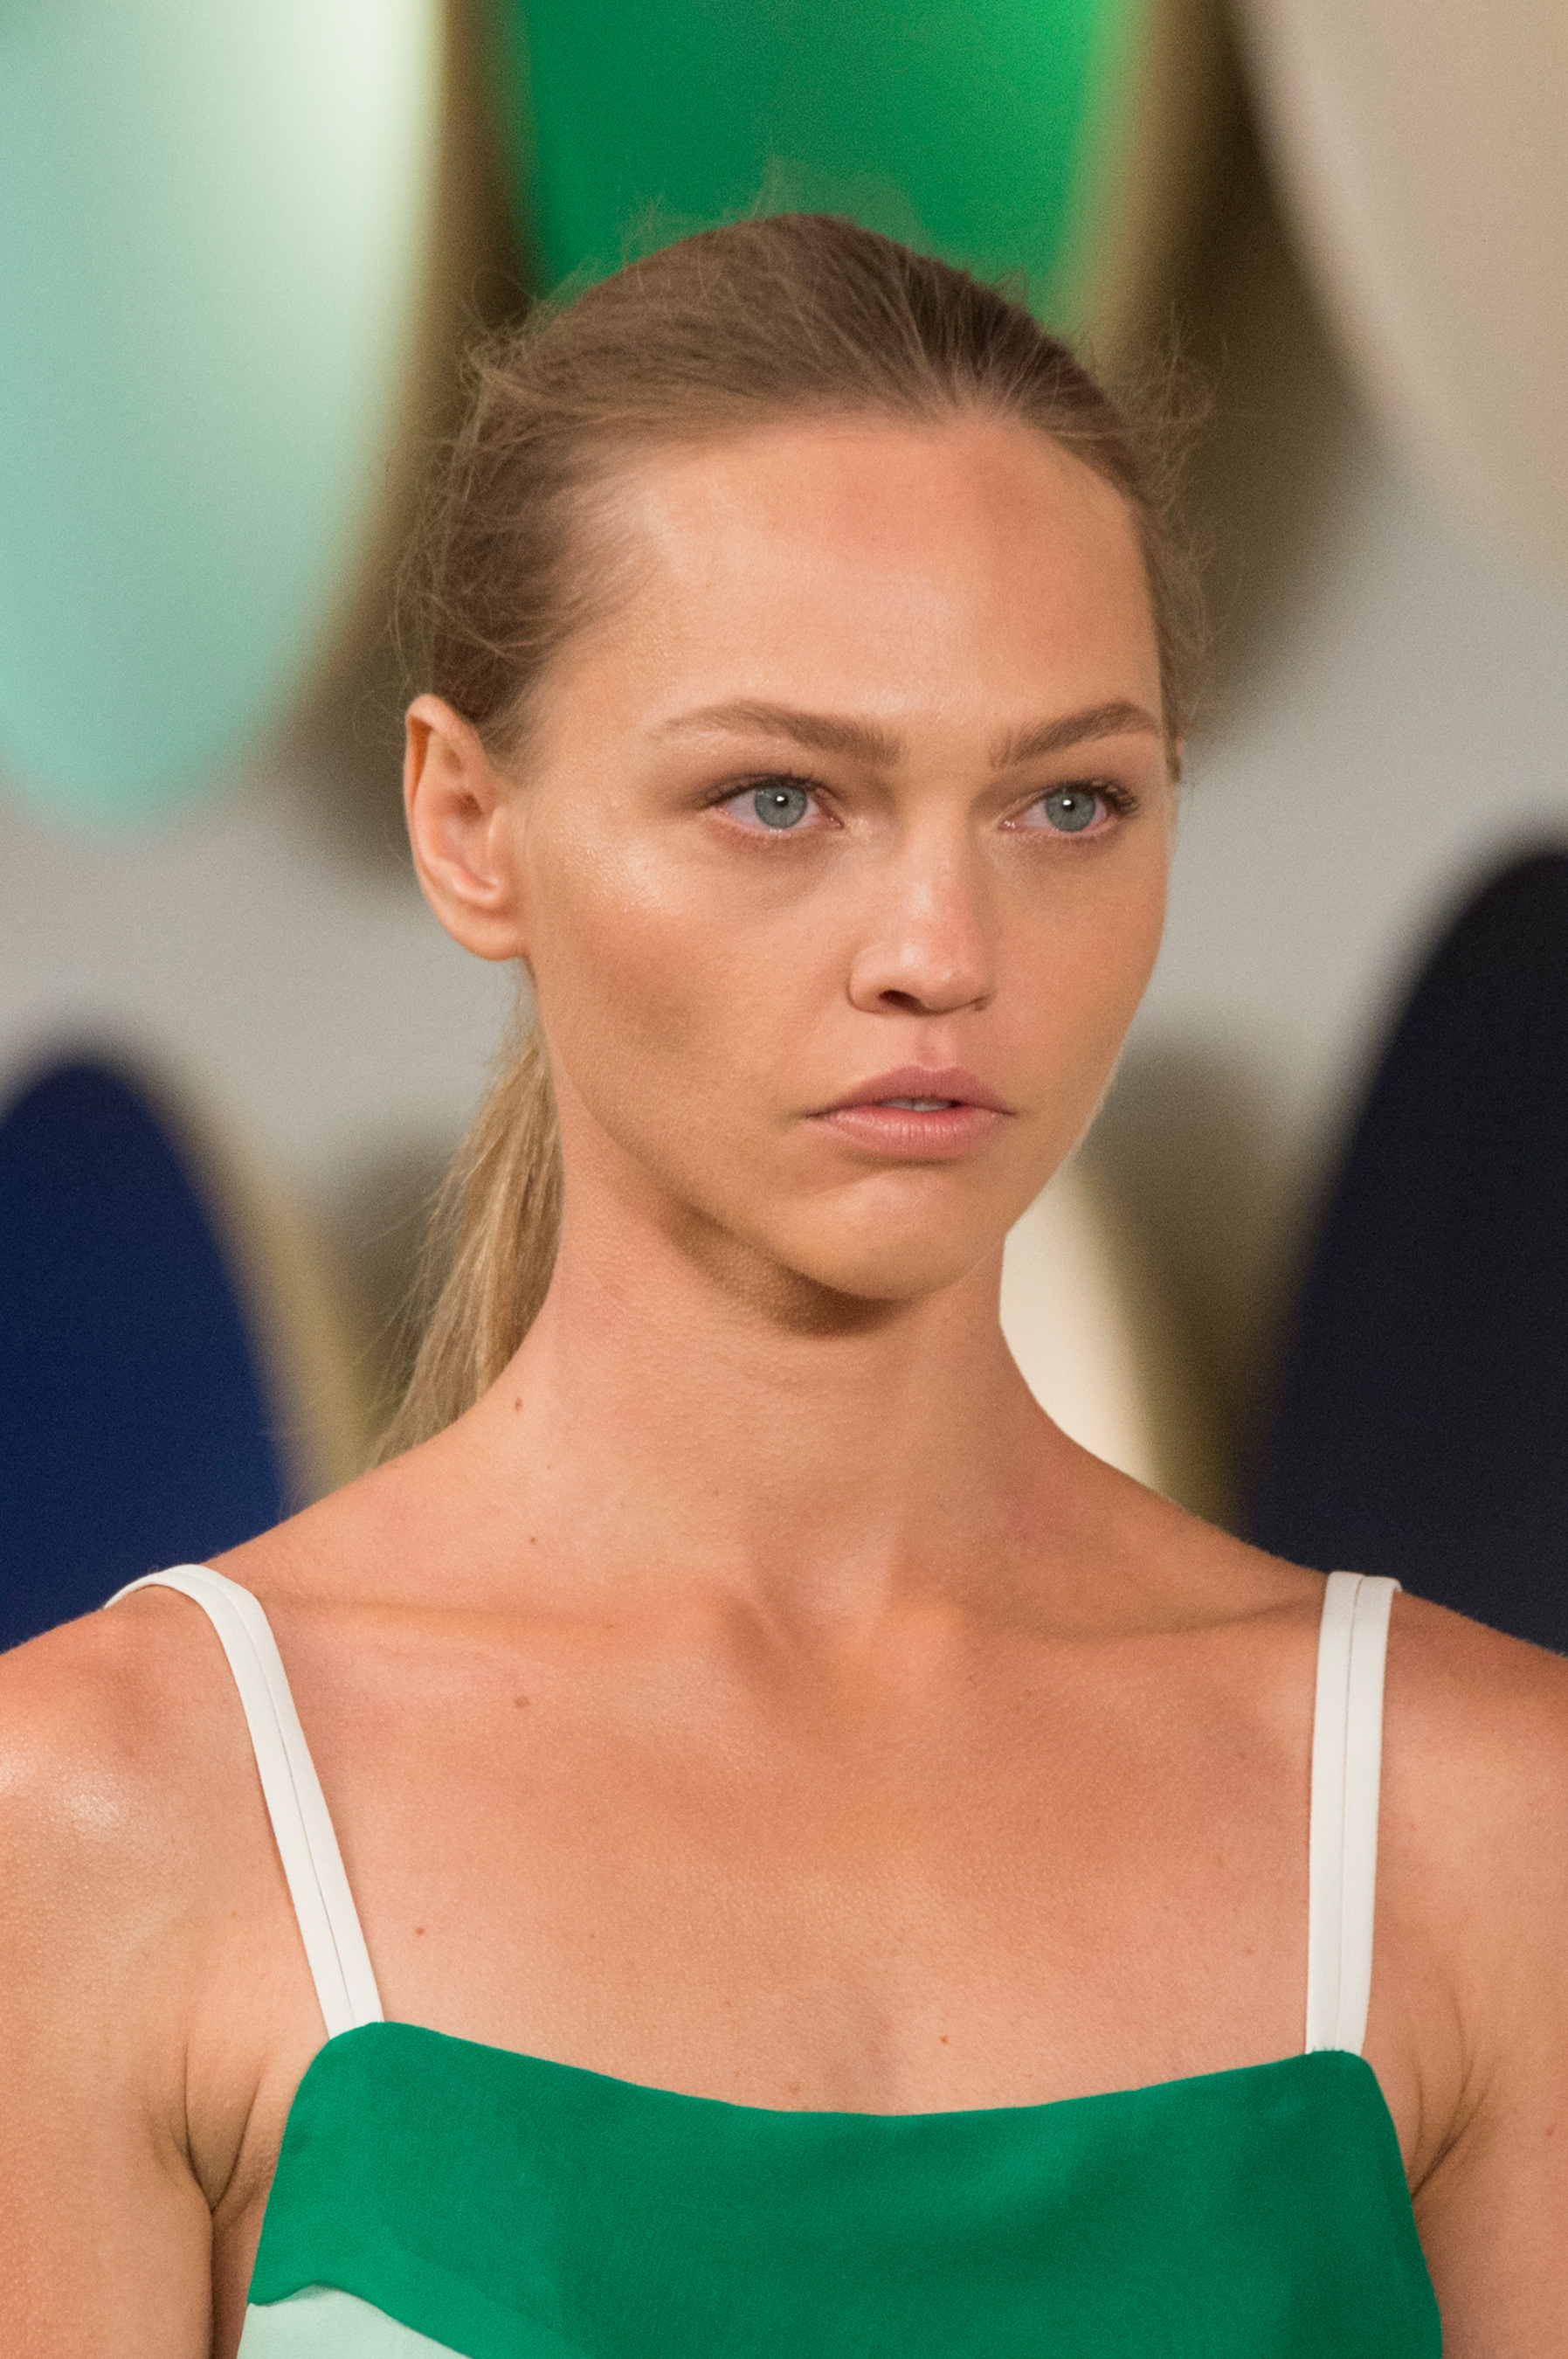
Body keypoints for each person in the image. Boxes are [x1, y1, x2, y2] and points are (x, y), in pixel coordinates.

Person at [2, 215, 1564, 2359]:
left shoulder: (1484, 1825)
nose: (940, 949)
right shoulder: (107, 1812)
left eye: (1066, 801)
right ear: (468, 823)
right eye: (778, 798)